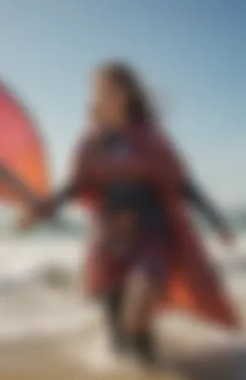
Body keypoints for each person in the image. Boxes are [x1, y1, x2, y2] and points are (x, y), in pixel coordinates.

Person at [18, 61, 237, 366]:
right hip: (108, 241)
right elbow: (77, 184)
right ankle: (146, 370)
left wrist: (216, 221)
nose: (97, 95)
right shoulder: (92, 141)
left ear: (125, 92)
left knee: (137, 309)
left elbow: (182, 182)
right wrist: (43, 210)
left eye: (105, 87)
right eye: (96, 89)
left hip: (152, 235)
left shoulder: (151, 138)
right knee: (120, 338)